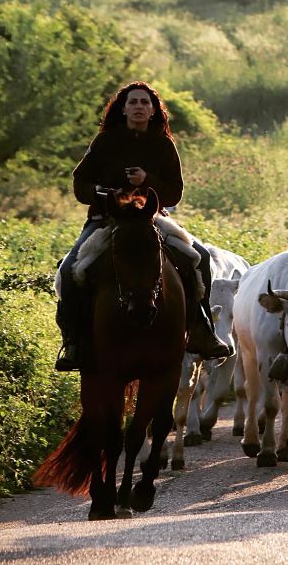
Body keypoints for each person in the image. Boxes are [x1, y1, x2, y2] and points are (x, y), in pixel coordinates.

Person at [54, 81, 233, 372]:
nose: (139, 107)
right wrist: (105, 194)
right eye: (133, 102)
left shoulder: (163, 145)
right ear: (123, 109)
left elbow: (175, 192)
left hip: (153, 219)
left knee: (199, 257)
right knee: (69, 269)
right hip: (106, 221)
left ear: (153, 111)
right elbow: (80, 184)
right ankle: (73, 342)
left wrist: (146, 180)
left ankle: (202, 329)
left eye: (145, 103)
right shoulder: (105, 141)